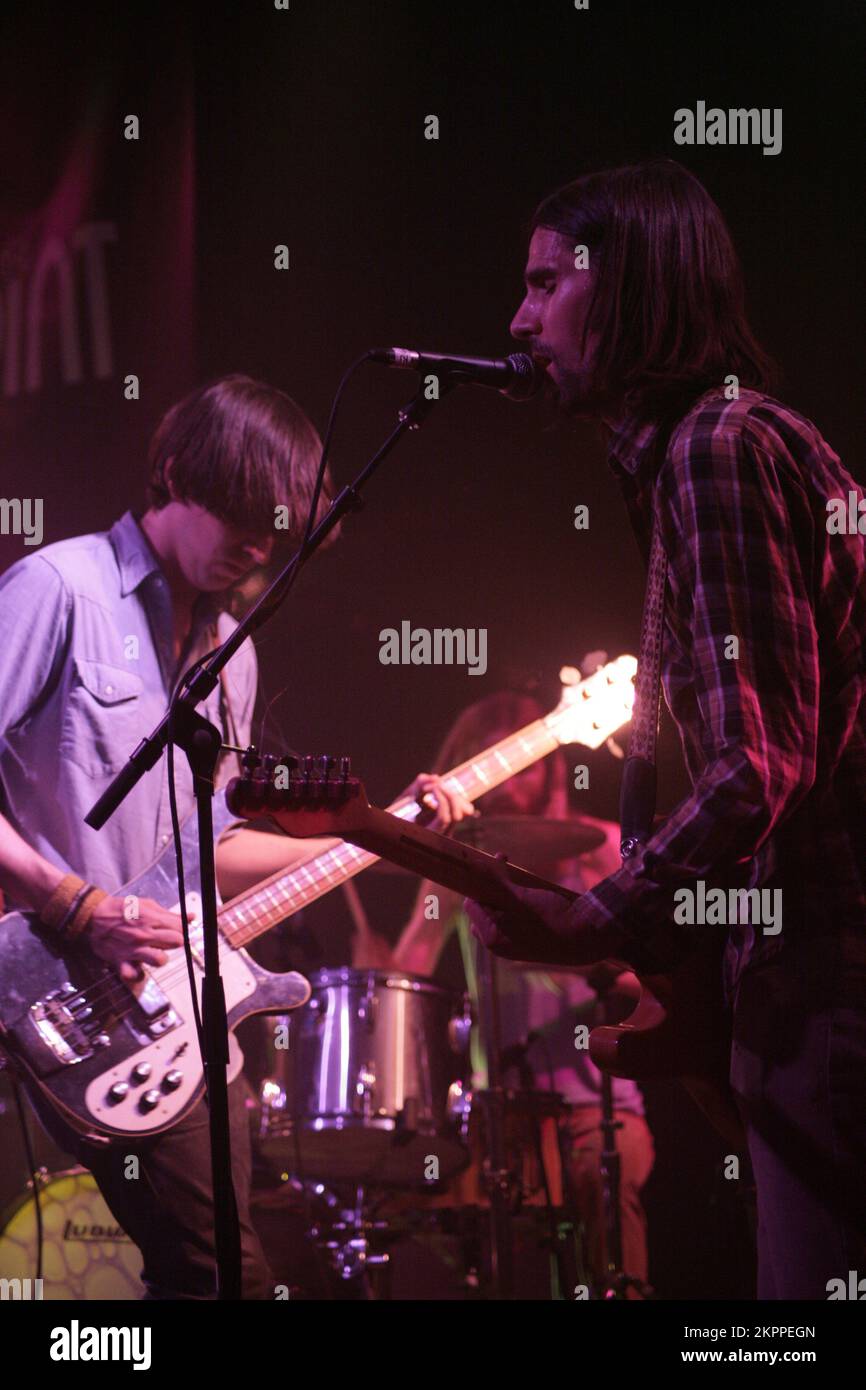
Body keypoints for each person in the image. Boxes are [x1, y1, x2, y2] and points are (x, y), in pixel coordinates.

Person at [467, 159, 866, 1300]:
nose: (517, 317)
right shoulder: (711, 447)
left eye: (546, 284)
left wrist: (595, 916)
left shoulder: (715, 450)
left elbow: (761, 766)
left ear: (629, 285)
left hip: (833, 984)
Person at [0, 373, 467, 1298]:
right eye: (240, 514)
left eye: (275, 525)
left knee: (218, 1273)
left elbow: (214, 846)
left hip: (147, 1015)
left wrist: (388, 834)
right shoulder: (58, 588)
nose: (257, 543)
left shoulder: (233, 651)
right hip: (31, 970)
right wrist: (76, 905)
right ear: (174, 474)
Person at [389, 689, 655, 1294]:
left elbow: (661, 975)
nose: (510, 776)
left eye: (520, 759)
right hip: (499, 1110)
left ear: (552, 764)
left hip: (599, 1105)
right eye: (488, 757)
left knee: (605, 1213)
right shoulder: (462, 864)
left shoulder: (608, 847)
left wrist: (605, 974)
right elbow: (410, 964)